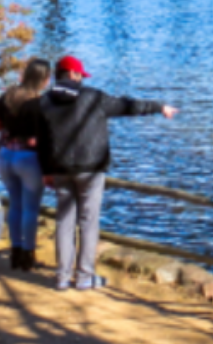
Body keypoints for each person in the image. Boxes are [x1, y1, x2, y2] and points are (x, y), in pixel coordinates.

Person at [28, 56, 178, 291]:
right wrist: (159, 107)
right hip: (91, 168)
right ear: (74, 75)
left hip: (60, 169)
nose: (81, 78)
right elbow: (128, 106)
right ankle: (85, 277)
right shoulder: (93, 98)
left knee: (64, 222)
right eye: (80, 75)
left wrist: (46, 170)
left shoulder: (44, 102)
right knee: (89, 222)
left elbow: (42, 141)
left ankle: (62, 278)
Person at [0, 58, 50, 272]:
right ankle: (28, 254)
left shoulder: (7, 96)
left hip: (6, 155)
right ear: (43, 79)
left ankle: (15, 250)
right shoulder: (39, 103)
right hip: (29, 159)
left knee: (15, 204)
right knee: (30, 209)